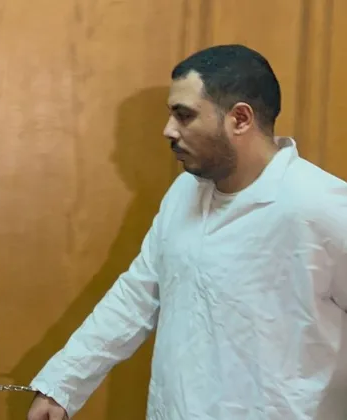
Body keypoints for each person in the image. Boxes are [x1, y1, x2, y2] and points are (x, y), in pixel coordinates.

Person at [27, 44, 347, 420]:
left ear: (240, 119)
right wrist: (63, 385)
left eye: (184, 115)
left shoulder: (319, 205)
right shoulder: (185, 193)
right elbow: (137, 295)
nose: (169, 130)